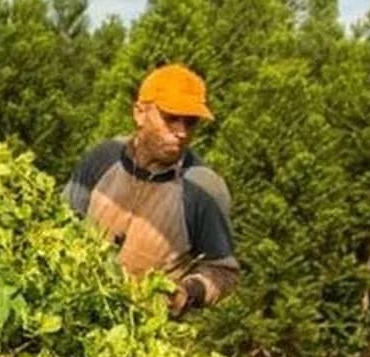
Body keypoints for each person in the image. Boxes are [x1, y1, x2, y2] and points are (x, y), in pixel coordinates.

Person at [63, 63, 239, 317]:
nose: (181, 132)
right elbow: (61, 222)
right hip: (75, 311)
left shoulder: (203, 188)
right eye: (170, 118)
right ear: (140, 113)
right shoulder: (103, 158)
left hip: (143, 332)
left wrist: (189, 291)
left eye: (190, 123)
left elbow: (224, 271)